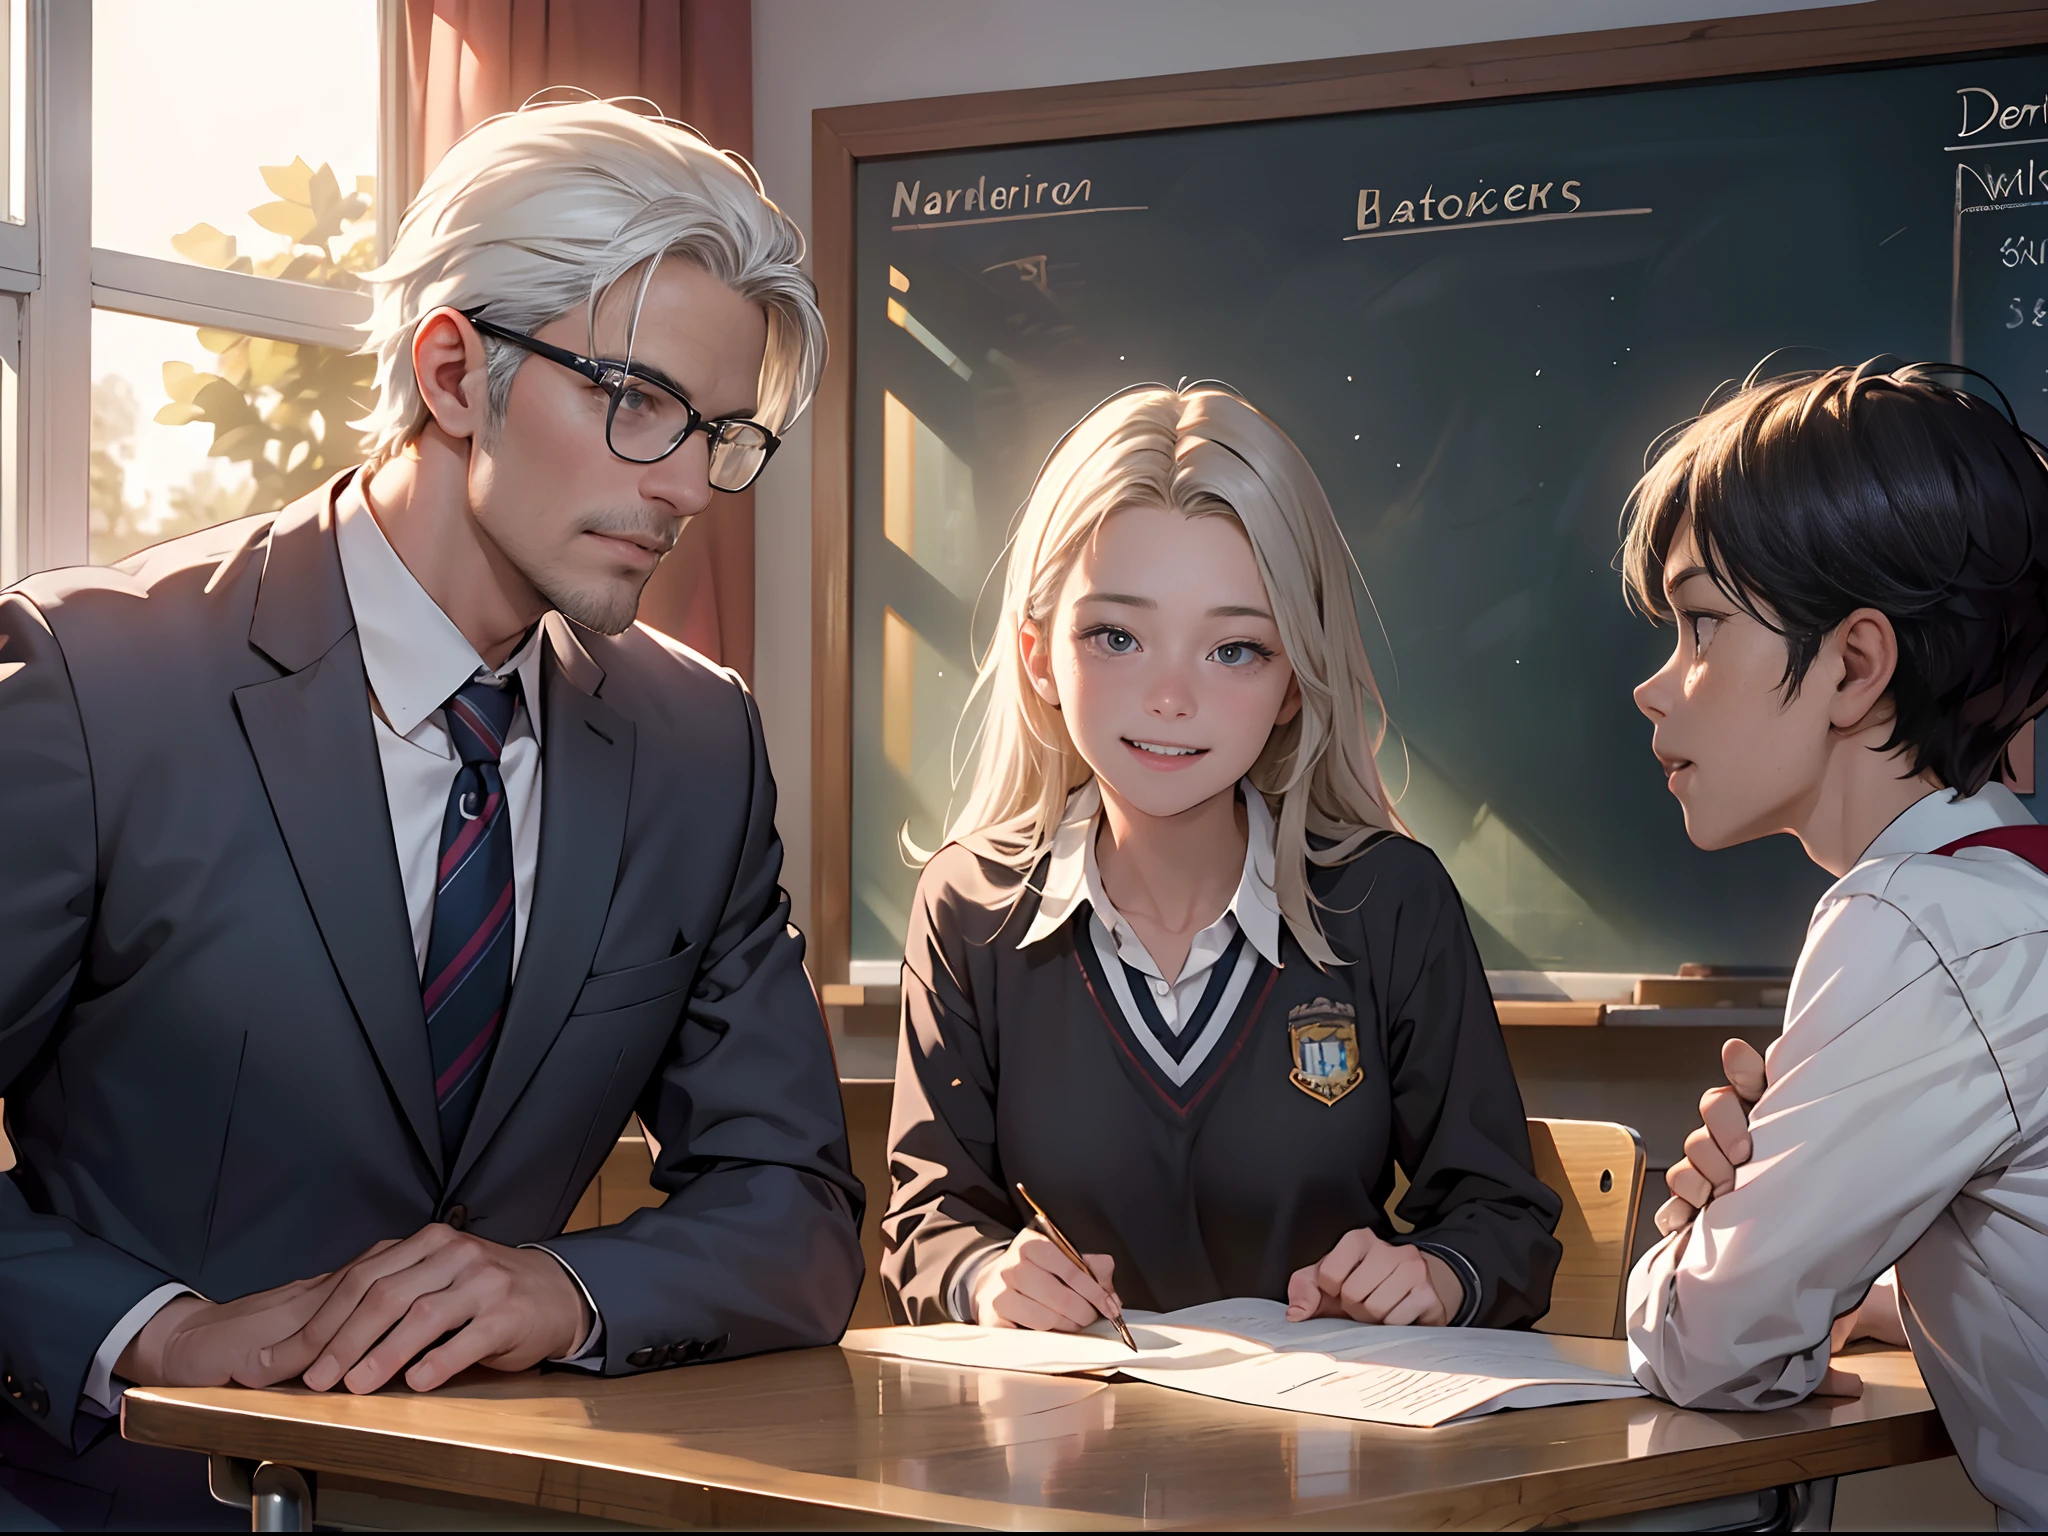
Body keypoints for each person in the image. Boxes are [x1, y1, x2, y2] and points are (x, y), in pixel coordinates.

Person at [0, 100, 862, 1528]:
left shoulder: (699, 740)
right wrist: (149, 1332)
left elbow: (789, 1204)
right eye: (639, 404)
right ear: (455, 371)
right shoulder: (96, 681)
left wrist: (563, 1285)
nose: (689, 486)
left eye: (717, 433)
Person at [881, 383, 1560, 1334]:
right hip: (1055, 1459)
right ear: (1039, 657)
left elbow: (1505, 1223)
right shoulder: (967, 908)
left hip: (1326, 1460)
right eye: (1116, 637)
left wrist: (1436, 1276)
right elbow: (928, 1225)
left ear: (1293, 680)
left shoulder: (1389, 902)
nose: (1169, 698)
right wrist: (984, 1279)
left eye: (1235, 649)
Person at [1620, 360, 2048, 1529]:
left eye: (1700, 621)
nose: (1654, 687)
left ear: (1854, 666)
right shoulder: (2010, 896)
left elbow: (1712, 1348)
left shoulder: (1913, 923)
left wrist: (1705, 1231)